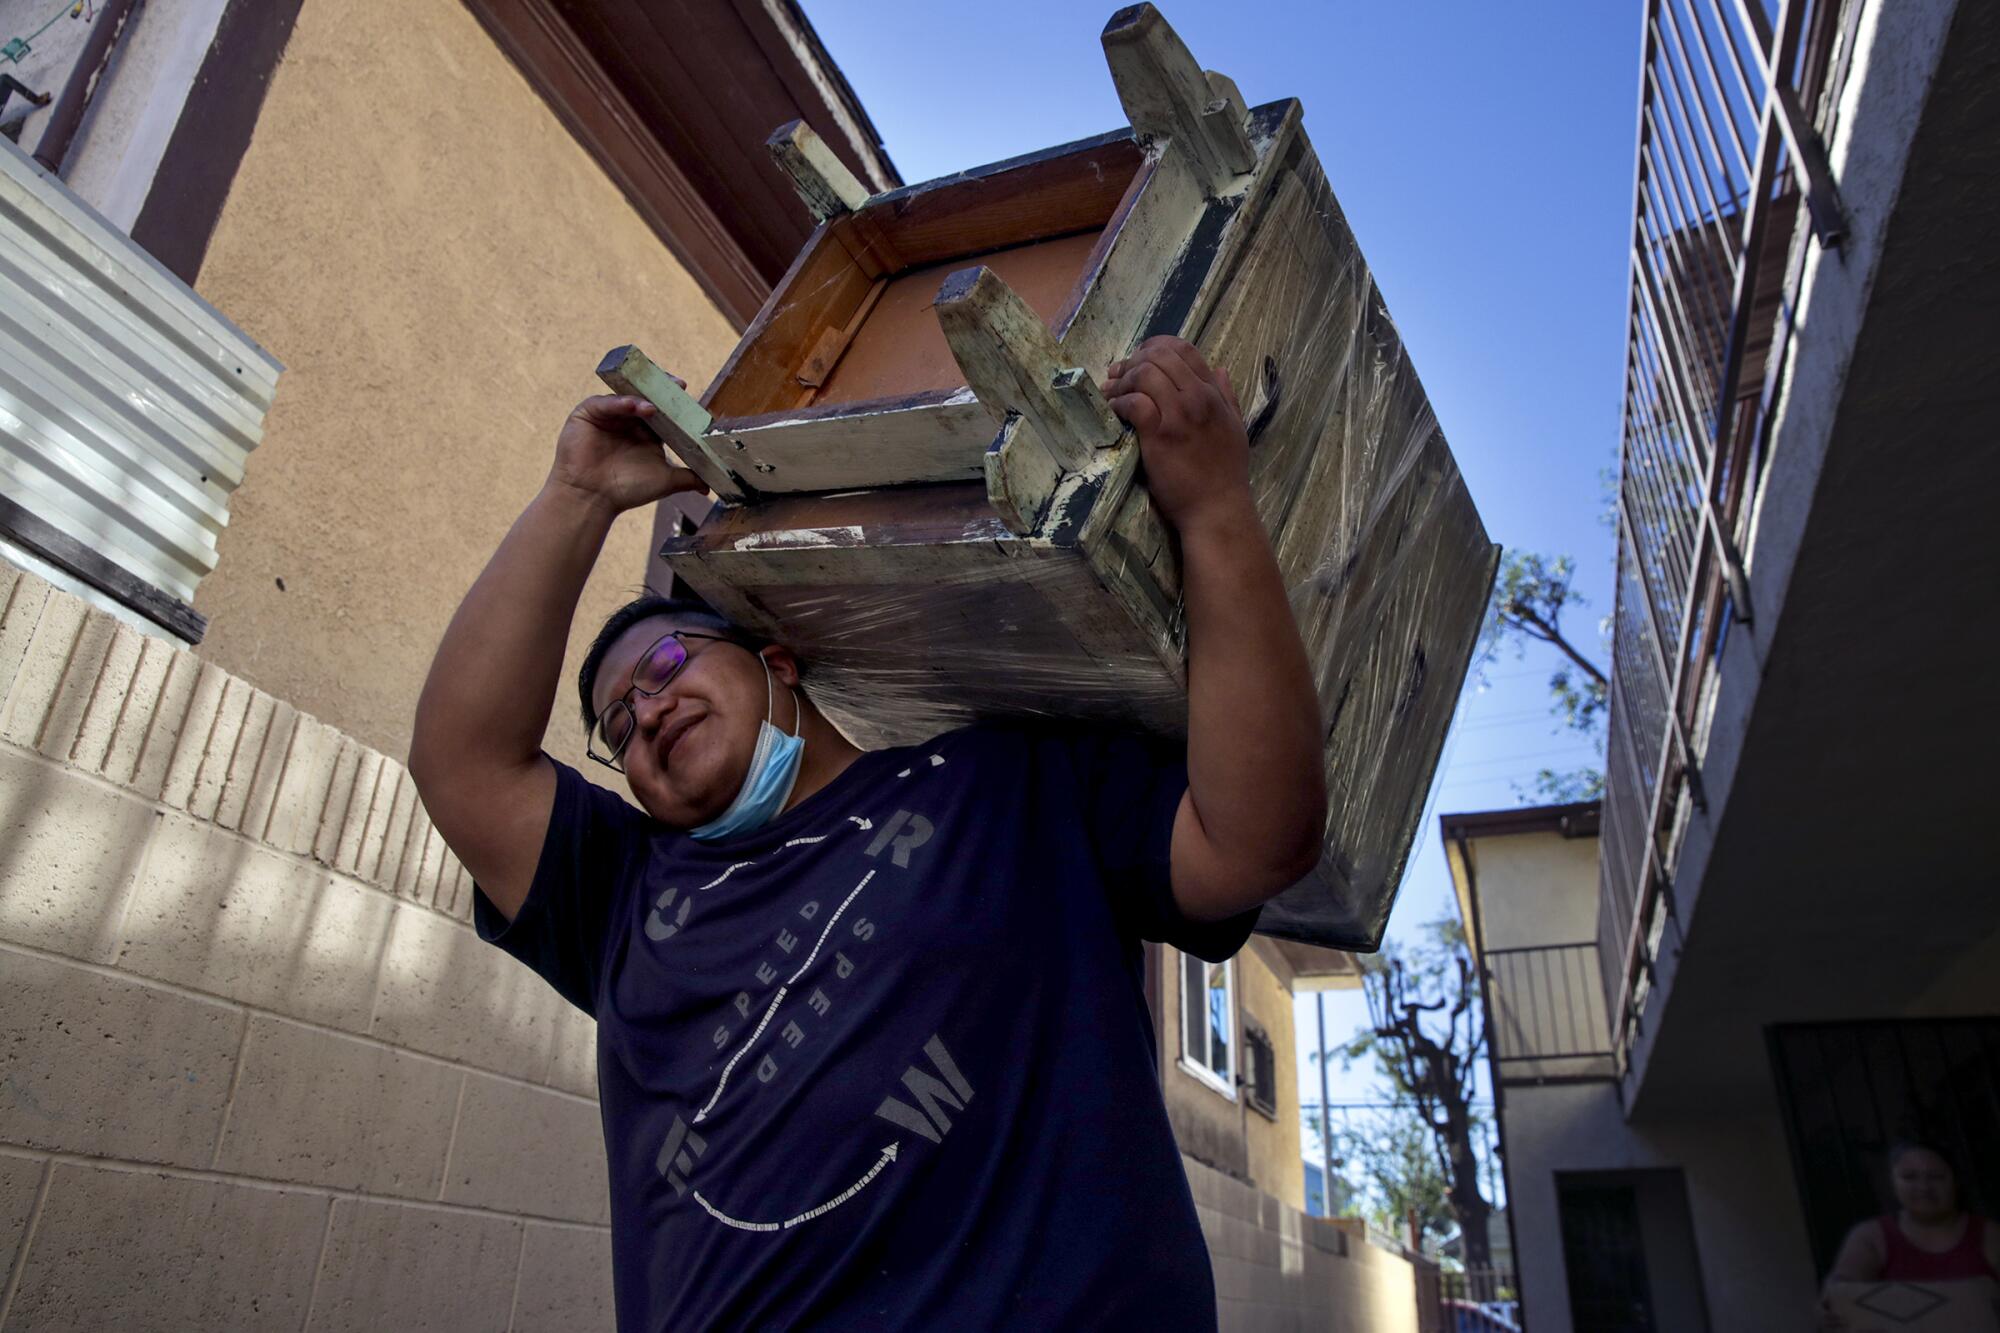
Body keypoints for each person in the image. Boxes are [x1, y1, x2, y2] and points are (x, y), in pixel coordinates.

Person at [408, 335, 1328, 1330]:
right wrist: (577, 494)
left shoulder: (1002, 781)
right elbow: (461, 764)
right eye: (618, 724)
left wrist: (1212, 507)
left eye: (669, 658)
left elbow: (1252, 842)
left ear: (778, 662)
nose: (649, 707)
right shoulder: (626, 897)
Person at [1826, 1139, 2000, 1283]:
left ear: (1956, 1182)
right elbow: (1843, 1289)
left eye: (1936, 1176)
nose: (1923, 1187)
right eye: (1909, 1177)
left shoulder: (1989, 1234)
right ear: (1893, 1184)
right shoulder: (1871, 1236)